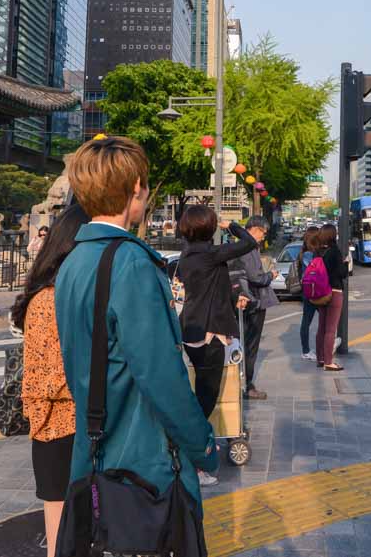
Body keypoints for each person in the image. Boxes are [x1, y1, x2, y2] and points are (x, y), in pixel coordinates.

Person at [54, 136, 217, 521]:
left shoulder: (74, 261)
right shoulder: (131, 262)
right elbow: (161, 374)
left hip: (94, 448)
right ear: (137, 189)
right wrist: (203, 444)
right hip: (144, 462)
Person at [11, 203, 89, 557]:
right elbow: (44, 378)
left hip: (83, 422)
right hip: (58, 426)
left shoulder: (75, 294)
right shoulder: (47, 301)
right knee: (61, 526)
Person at [176, 205, 257, 485]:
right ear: (208, 227)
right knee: (204, 402)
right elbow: (250, 243)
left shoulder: (185, 257)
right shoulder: (211, 255)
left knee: (199, 395)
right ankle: (195, 462)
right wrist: (230, 226)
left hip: (192, 332)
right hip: (211, 335)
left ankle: (197, 448)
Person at [227, 215, 278, 400]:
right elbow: (256, 278)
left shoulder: (240, 246)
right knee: (249, 346)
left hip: (244, 300)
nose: (264, 237)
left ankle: (242, 384)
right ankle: (247, 385)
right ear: (255, 229)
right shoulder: (247, 248)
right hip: (252, 301)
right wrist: (271, 275)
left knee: (243, 344)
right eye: (263, 233)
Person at [314, 223, 346, 371]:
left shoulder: (317, 252)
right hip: (334, 292)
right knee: (331, 329)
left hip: (320, 292)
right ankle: (328, 361)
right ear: (333, 235)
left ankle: (320, 358)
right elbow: (341, 273)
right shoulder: (335, 251)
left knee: (321, 327)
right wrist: (345, 264)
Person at [297, 225, 321, 360]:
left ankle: (306, 350)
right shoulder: (309, 254)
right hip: (313, 291)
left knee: (307, 320)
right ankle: (307, 350)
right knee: (311, 320)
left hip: (308, 292)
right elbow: (315, 271)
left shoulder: (305, 252)